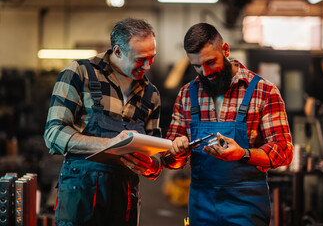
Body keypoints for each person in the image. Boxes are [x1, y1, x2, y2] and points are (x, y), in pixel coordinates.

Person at [162, 23, 294, 226]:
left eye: (210, 62)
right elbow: (170, 161)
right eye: (197, 66)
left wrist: (243, 154)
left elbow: (284, 151)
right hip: (201, 206)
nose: (205, 72)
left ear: (225, 50)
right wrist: (176, 151)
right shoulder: (187, 94)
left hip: (247, 206)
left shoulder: (264, 91)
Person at [44, 18, 162, 226]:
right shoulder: (79, 73)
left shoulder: (151, 94)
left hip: (125, 200)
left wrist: (151, 165)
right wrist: (109, 145)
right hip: (80, 196)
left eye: (152, 58)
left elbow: (156, 154)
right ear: (117, 51)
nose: (147, 65)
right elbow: (54, 134)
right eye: (140, 59)